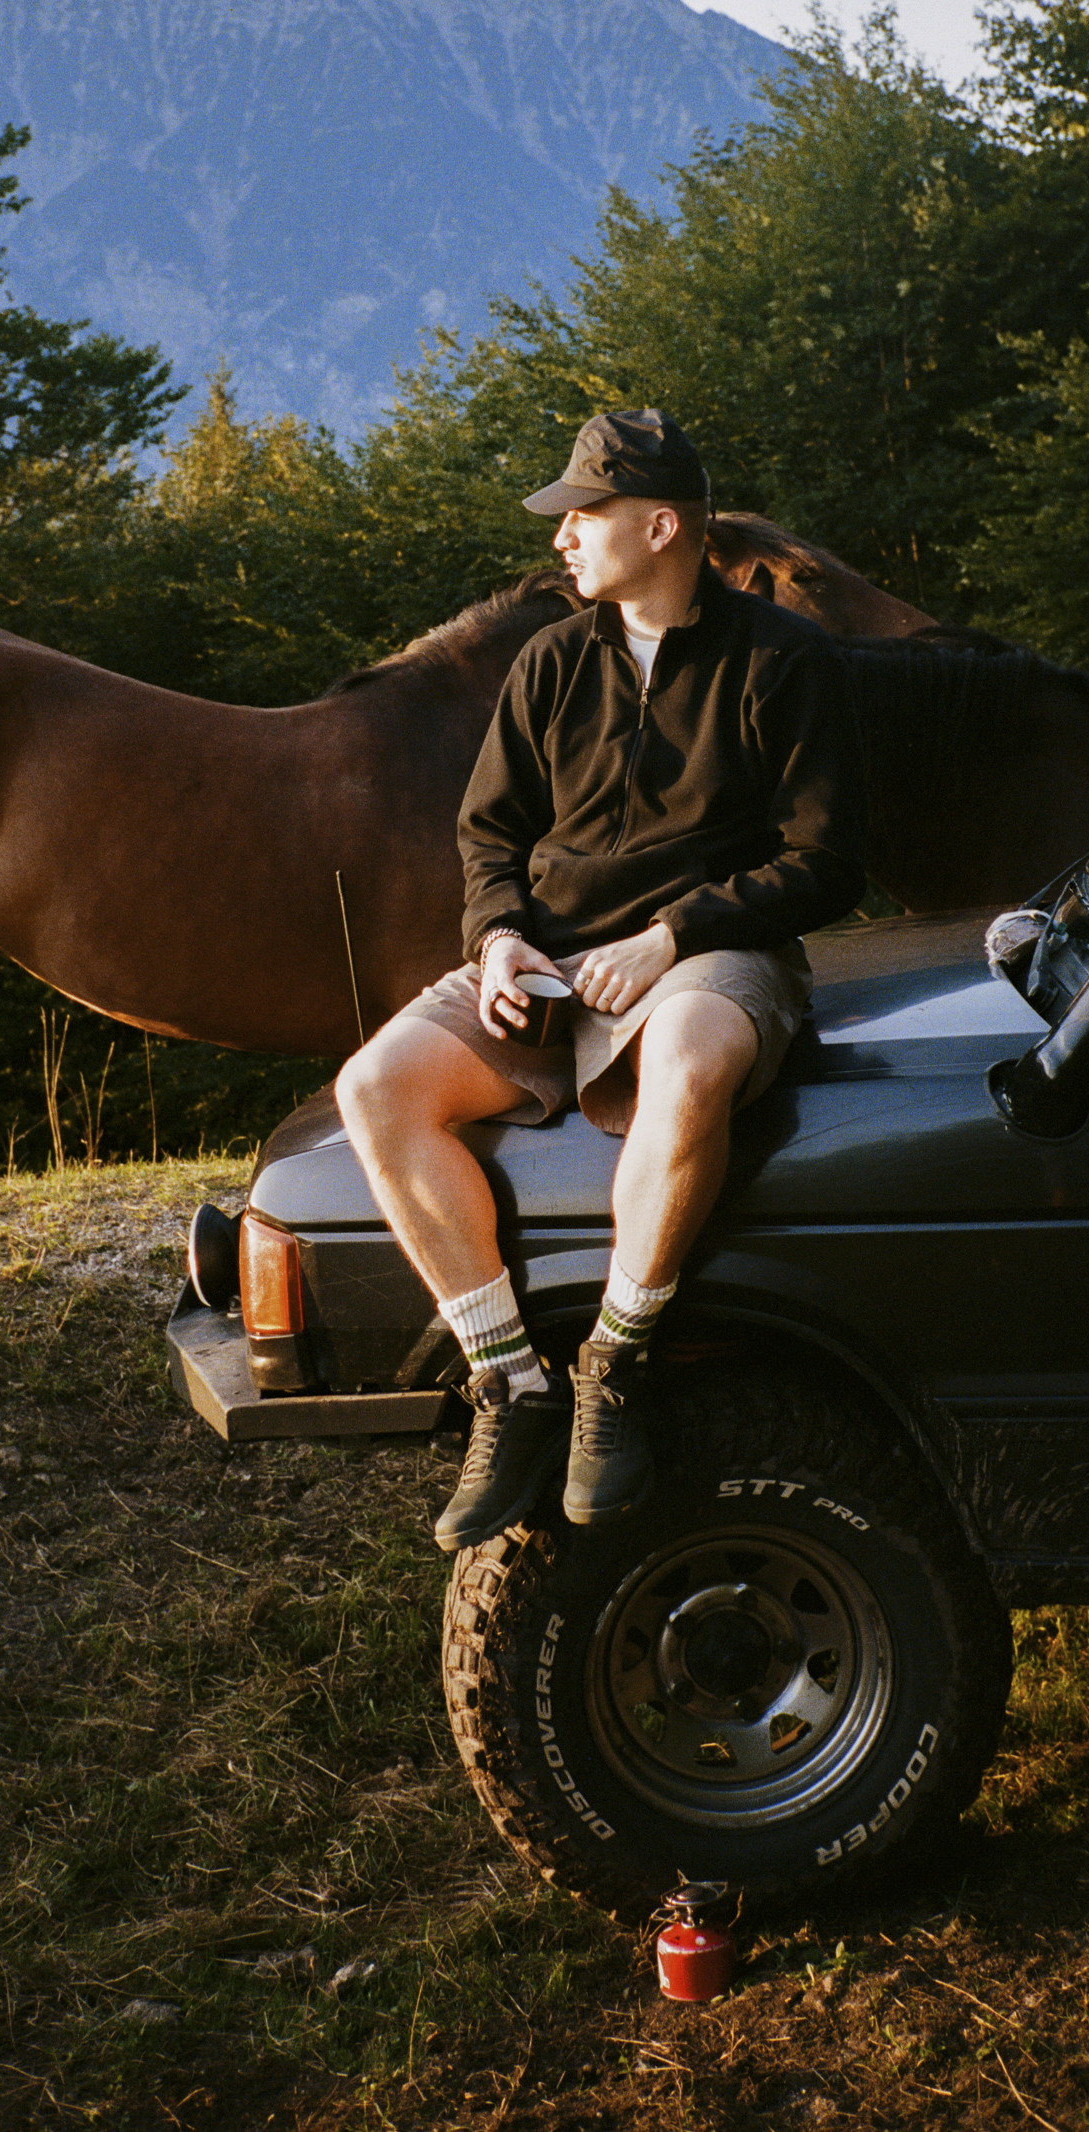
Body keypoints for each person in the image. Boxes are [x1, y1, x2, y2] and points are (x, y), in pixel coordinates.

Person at [336, 410, 867, 1552]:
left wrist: (674, 936)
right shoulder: (550, 662)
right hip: (551, 960)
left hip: (710, 953)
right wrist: (496, 940)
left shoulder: (783, 660)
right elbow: (487, 834)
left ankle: (614, 1366)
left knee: (690, 1056)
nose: (562, 536)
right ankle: (512, 1385)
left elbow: (824, 862)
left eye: (585, 513)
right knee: (374, 1089)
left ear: (661, 526)